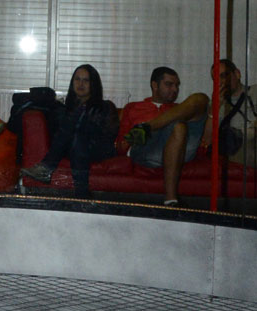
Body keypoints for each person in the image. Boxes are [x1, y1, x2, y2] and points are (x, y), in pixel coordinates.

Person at [20, 64, 119, 198]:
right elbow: (58, 135)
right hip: (75, 147)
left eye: (86, 80)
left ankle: (47, 167)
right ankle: (81, 194)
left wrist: (84, 124)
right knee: (76, 140)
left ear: (93, 84)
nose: (81, 84)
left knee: (79, 138)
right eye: (77, 79)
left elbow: (109, 134)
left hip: (99, 148)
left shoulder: (105, 106)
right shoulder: (67, 109)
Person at [118, 66, 209, 206]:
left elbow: (203, 145)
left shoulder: (182, 108)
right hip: (147, 150)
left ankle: (147, 127)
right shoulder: (134, 107)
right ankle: (171, 199)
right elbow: (122, 144)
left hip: (179, 149)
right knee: (178, 126)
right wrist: (125, 144)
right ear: (154, 85)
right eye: (169, 84)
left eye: (177, 85)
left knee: (200, 98)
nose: (175, 89)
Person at [201, 58, 257, 167]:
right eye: (216, 79)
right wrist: (215, 109)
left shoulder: (255, 91)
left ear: (237, 74)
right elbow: (207, 141)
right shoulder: (217, 104)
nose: (221, 82)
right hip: (240, 149)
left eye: (224, 75)